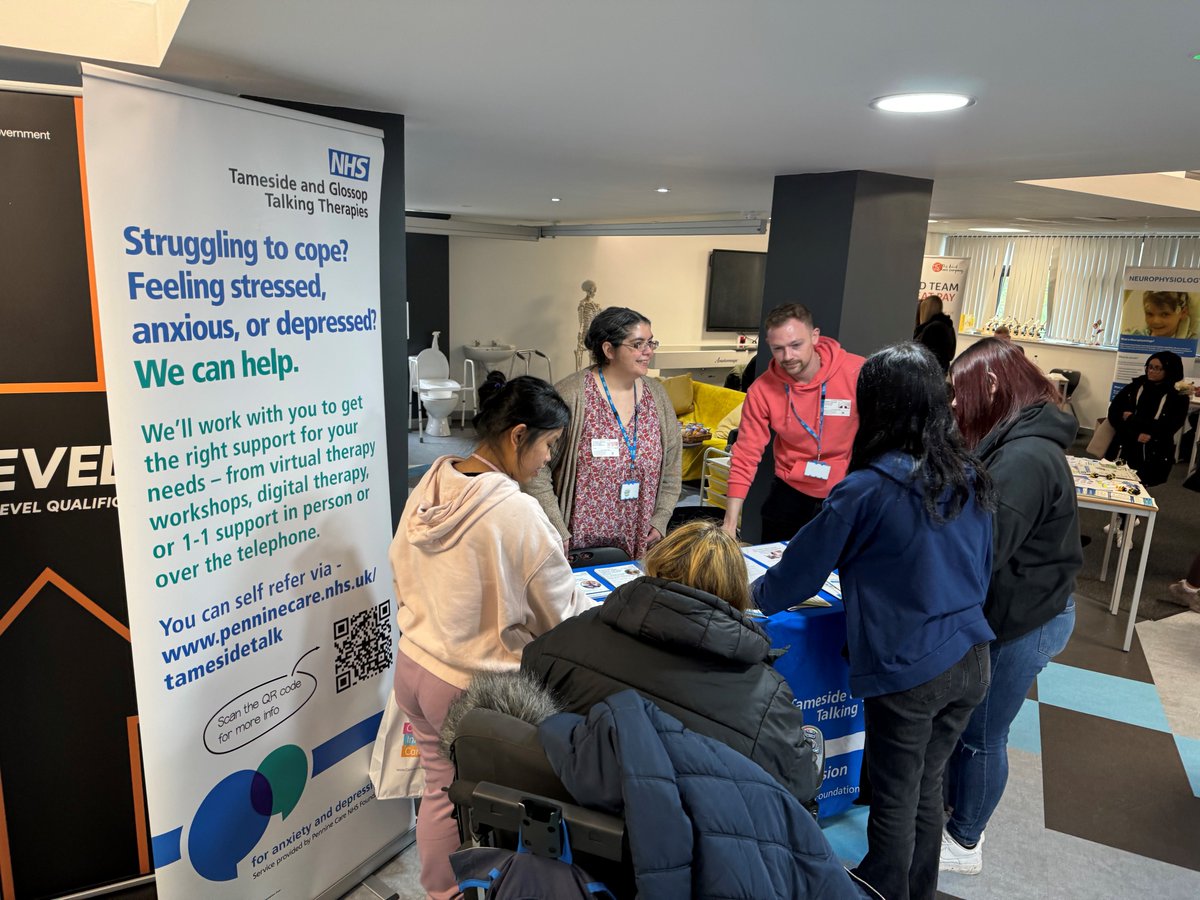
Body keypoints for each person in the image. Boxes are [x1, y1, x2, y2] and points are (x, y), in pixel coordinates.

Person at [753, 342, 995, 900]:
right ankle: (915, 887)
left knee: (895, 792)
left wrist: (742, 592)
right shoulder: (967, 473)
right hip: (971, 656)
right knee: (927, 787)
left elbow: (795, 579)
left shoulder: (866, 488)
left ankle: (886, 888)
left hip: (911, 668)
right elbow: (981, 570)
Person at [389, 375, 596, 900]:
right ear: (518, 435)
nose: (548, 459)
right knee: (503, 807)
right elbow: (564, 614)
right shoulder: (516, 512)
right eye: (548, 445)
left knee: (439, 790)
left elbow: (400, 565)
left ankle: (441, 893)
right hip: (471, 686)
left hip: (414, 665)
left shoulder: (435, 480)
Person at [522, 519, 821, 807]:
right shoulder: (765, 696)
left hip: (570, 830)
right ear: (735, 593)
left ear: (655, 568)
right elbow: (800, 783)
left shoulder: (564, 640)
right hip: (700, 849)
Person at [941, 337, 1082, 877]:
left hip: (1028, 619)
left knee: (982, 735)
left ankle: (965, 842)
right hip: (1019, 609)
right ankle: (959, 814)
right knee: (971, 728)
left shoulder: (1025, 457)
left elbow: (985, 551)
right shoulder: (1018, 438)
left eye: (960, 393)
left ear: (993, 386)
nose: (955, 405)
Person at [527, 306, 682, 559]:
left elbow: (673, 464)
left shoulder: (658, 396)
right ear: (609, 350)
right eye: (638, 344)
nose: (648, 351)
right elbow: (533, 469)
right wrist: (556, 528)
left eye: (651, 342)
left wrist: (661, 516)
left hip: (639, 541)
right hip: (577, 546)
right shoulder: (571, 395)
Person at [722, 303, 865, 542]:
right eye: (778, 348)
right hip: (790, 493)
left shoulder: (857, 371)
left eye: (796, 345)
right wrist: (729, 522)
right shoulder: (762, 390)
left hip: (845, 493)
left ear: (815, 336)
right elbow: (746, 453)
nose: (788, 357)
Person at [1106, 350, 1189, 486]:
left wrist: (1132, 418)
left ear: (1169, 370)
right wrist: (1135, 434)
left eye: (1157, 368)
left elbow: (1169, 426)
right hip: (1125, 445)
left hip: (1154, 451)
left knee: (1142, 487)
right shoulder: (1135, 387)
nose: (1151, 371)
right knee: (1114, 482)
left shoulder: (1178, 396)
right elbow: (1114, 414)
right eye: (1149, 367)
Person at [1123, 290, 1195, 339]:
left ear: (1183, 313)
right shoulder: (1134, 336)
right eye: (1150, 314)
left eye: (1164, 314)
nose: (1156, 321)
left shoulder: (1191, 341)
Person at [913, 295, 957, 372]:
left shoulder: (933, 328)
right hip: (939, 371)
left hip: (928, 372)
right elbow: (950, 354)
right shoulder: (947, 326)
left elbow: (923, 353)